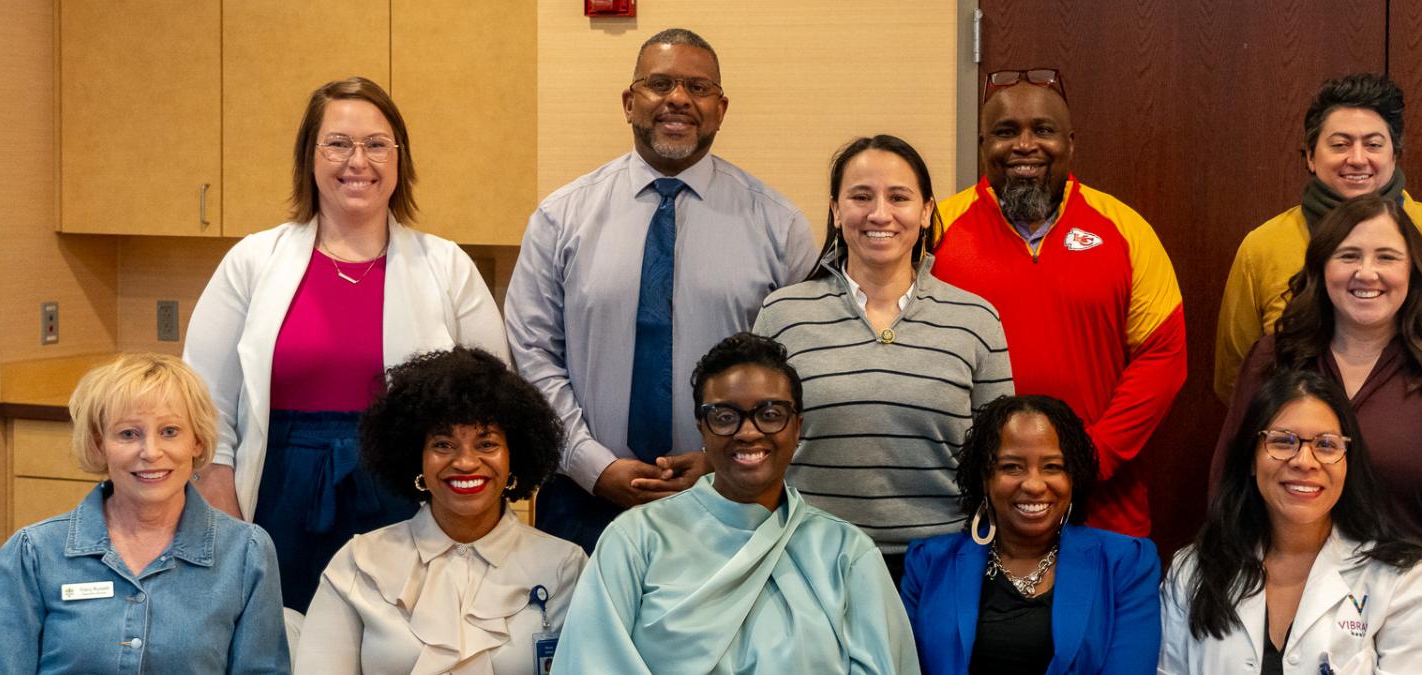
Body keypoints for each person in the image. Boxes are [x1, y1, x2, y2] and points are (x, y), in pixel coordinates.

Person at [183, 76, 509, 611]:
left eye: (377, 144)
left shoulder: (447, 266)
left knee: (404, 650)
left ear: (399, 159)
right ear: (309, 158)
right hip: (277, 497)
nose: (358, 160)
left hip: (408, 496)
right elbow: (203, 416)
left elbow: (493, 408)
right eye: (338, 143)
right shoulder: (252, 262)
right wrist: (231, 535)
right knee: (283, 647)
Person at [505, 28, 815, 552]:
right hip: (584, 500)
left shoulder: (779, 226)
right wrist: (591, 464)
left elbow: (800, 366)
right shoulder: (561, 218)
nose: (678, 99)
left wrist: (723, 457)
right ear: (630, 102)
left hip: (733, 499)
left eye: (698, 88)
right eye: (660, 83)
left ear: (720, 108)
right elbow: (532, 355)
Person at [553, 333, 919, 674]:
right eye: (725, 417)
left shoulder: (847, 553)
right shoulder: (636, 539)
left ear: (797, 427)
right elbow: (592, 660)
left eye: (770, 414)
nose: (748, 432)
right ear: (701, 427)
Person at [933, 68, 1186, 538]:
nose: (1025, 145)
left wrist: (1091, 457)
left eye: (1043, 131)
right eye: (1006, 132)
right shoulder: (936, 232)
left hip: (1104, 504)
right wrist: (975, 465)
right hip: (970, 507)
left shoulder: (1124, 228)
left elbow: (1163, 356)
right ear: (983, 143)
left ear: (1071, 142)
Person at [754, 134, 1013, 577]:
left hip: (942, 566)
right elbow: (756, 440)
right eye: (860, 196)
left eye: (899, 197)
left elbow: (1000, 453)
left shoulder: (975, 319)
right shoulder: (784, 314)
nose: (879, 214)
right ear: (836, 210)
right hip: (810, 561)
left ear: (927, 210)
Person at [1211, 195, 1422, 570]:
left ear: (1413, 271)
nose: (1366, 272)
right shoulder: (1273, 360)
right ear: (1321, 267)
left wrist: (1413, 598)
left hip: (1402, 599)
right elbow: (1230, 480)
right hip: (1275, 585)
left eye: (1386, 257)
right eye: (1348, 256)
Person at [0, 354, 288, 673]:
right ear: (98, 444)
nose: (151, 452)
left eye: (170, 431)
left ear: (198, 442)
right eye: (128, 434)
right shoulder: (33, 554)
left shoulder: (246, 553)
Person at [298, 347, 587, 673]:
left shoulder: (565, 567)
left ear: (514, 455)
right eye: (443, 444)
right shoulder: (359, 564)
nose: (465, 462)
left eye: (487, 443)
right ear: (415, 456)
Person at [1161, 370, 1422, 675]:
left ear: (1348, 462)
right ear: (1251, 459)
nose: (1304, 461)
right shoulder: (1192, 573)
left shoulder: (1404, 576)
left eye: (1326, 445)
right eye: (1282, 441)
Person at [1216, 73, 1422, 403]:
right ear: (1311, 157)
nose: (1357, 159)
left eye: (1373, 144)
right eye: (1340, 144)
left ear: (1394, 155)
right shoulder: (1262, 248)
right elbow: (1236, 378)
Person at [901, 395, 1160, 675]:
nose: (1034, 484)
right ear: (985, 479)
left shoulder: (1126, 565)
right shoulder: (928, 565)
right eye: (1012, 467)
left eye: (1052, 467)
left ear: (1073, 478)